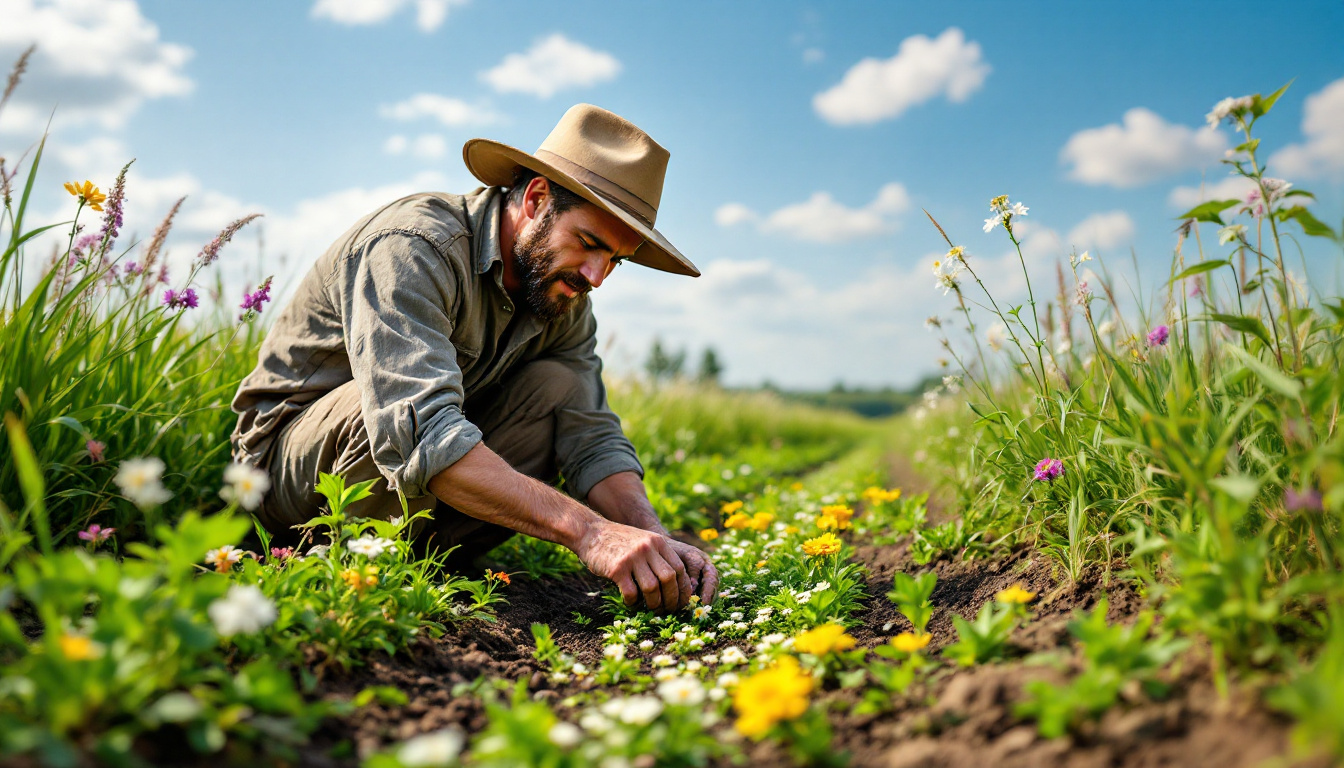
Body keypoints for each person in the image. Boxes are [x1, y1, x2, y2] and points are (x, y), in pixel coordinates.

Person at [230, 104, 717, 612]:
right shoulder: (413, 248)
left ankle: (408, 560)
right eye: (590, 243)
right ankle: (333, 566)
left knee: (559, 386)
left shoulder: (562, 293)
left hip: (417, 486)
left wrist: (653, 541)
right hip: (289, 482)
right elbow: (419, 428)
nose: (596, 276)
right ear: (536, 199)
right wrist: (592, 534)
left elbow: (590, 433)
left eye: (615, 260)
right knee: (387, 409)